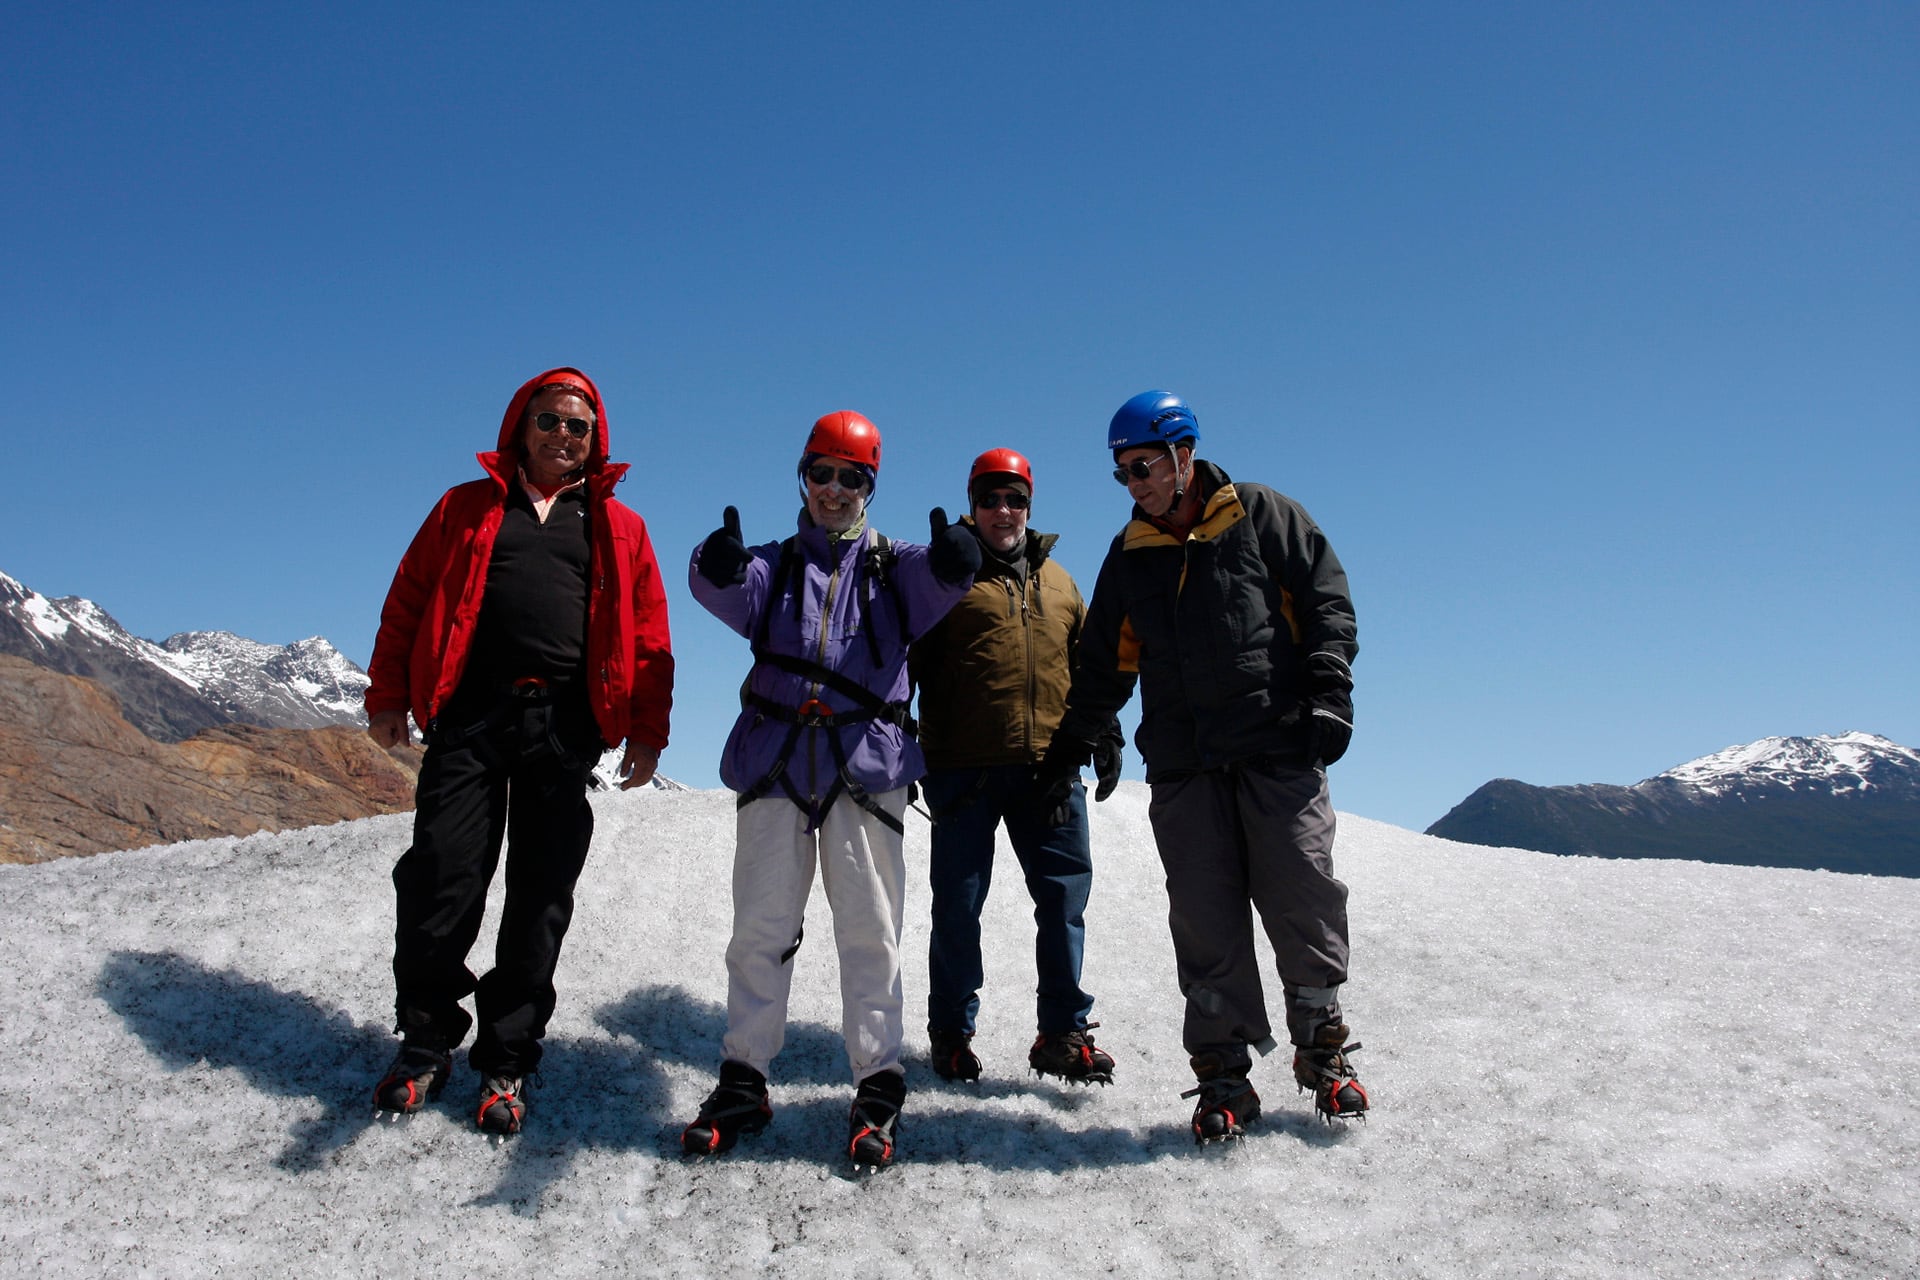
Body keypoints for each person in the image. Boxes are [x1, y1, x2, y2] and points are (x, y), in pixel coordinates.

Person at [1038, 390, 1368, 1140]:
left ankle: (1324, 1056)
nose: (1134, 484)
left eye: (1143, 466)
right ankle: (1224, 1078)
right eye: (1121, 473)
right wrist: (1074, 743)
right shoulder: (1130, 555)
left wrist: (1329, 689)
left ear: (1183, 453)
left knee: (1302, 898)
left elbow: (1325, 602)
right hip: (1186, 768)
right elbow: (1104, 666)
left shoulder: (1262, 515)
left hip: (1278, 748)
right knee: (1205, 923)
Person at [364, 367, 674, 1135]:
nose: (563, 436)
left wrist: (648, 730)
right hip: (469, 719)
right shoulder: (465, 508)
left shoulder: (619, 526)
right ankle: (426, 1040)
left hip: (563, 728)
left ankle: (507, 1058)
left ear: (596, 439)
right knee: (441, 878)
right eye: (549, 422)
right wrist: (385, 695)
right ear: (520, 426)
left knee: (539, 901)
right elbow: (409, 597)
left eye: (578, 426)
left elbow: (648, 632)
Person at [682, 410, 978, 1168]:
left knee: (871, 933)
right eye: (822, 474)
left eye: (852, 478)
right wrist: (713, 562)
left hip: (863, 769)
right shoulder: (773, 566)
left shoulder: (897, 566)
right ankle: (744, 1074)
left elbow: (942, 577)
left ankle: (878, 1080)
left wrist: (957, 557)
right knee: (760, 929)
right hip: (780, 765)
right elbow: (723, 585)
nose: (835, 490)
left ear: (870, 486)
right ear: (803, 479)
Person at [908, 448, 1124, 1086]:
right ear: (972, 504)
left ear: (1030, 505)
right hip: (963, 770)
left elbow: (1089, 666)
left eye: (1016, 499)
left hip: (1050, 772)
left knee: (1062, 902)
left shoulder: (1059, 582)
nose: (1004, 511)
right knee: (958, 907)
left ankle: (1061, 1033)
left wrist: (1105, 733)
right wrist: (903, 742)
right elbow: (901, 660)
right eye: (990, 499)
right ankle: (951, 1032)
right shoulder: (945, 576)